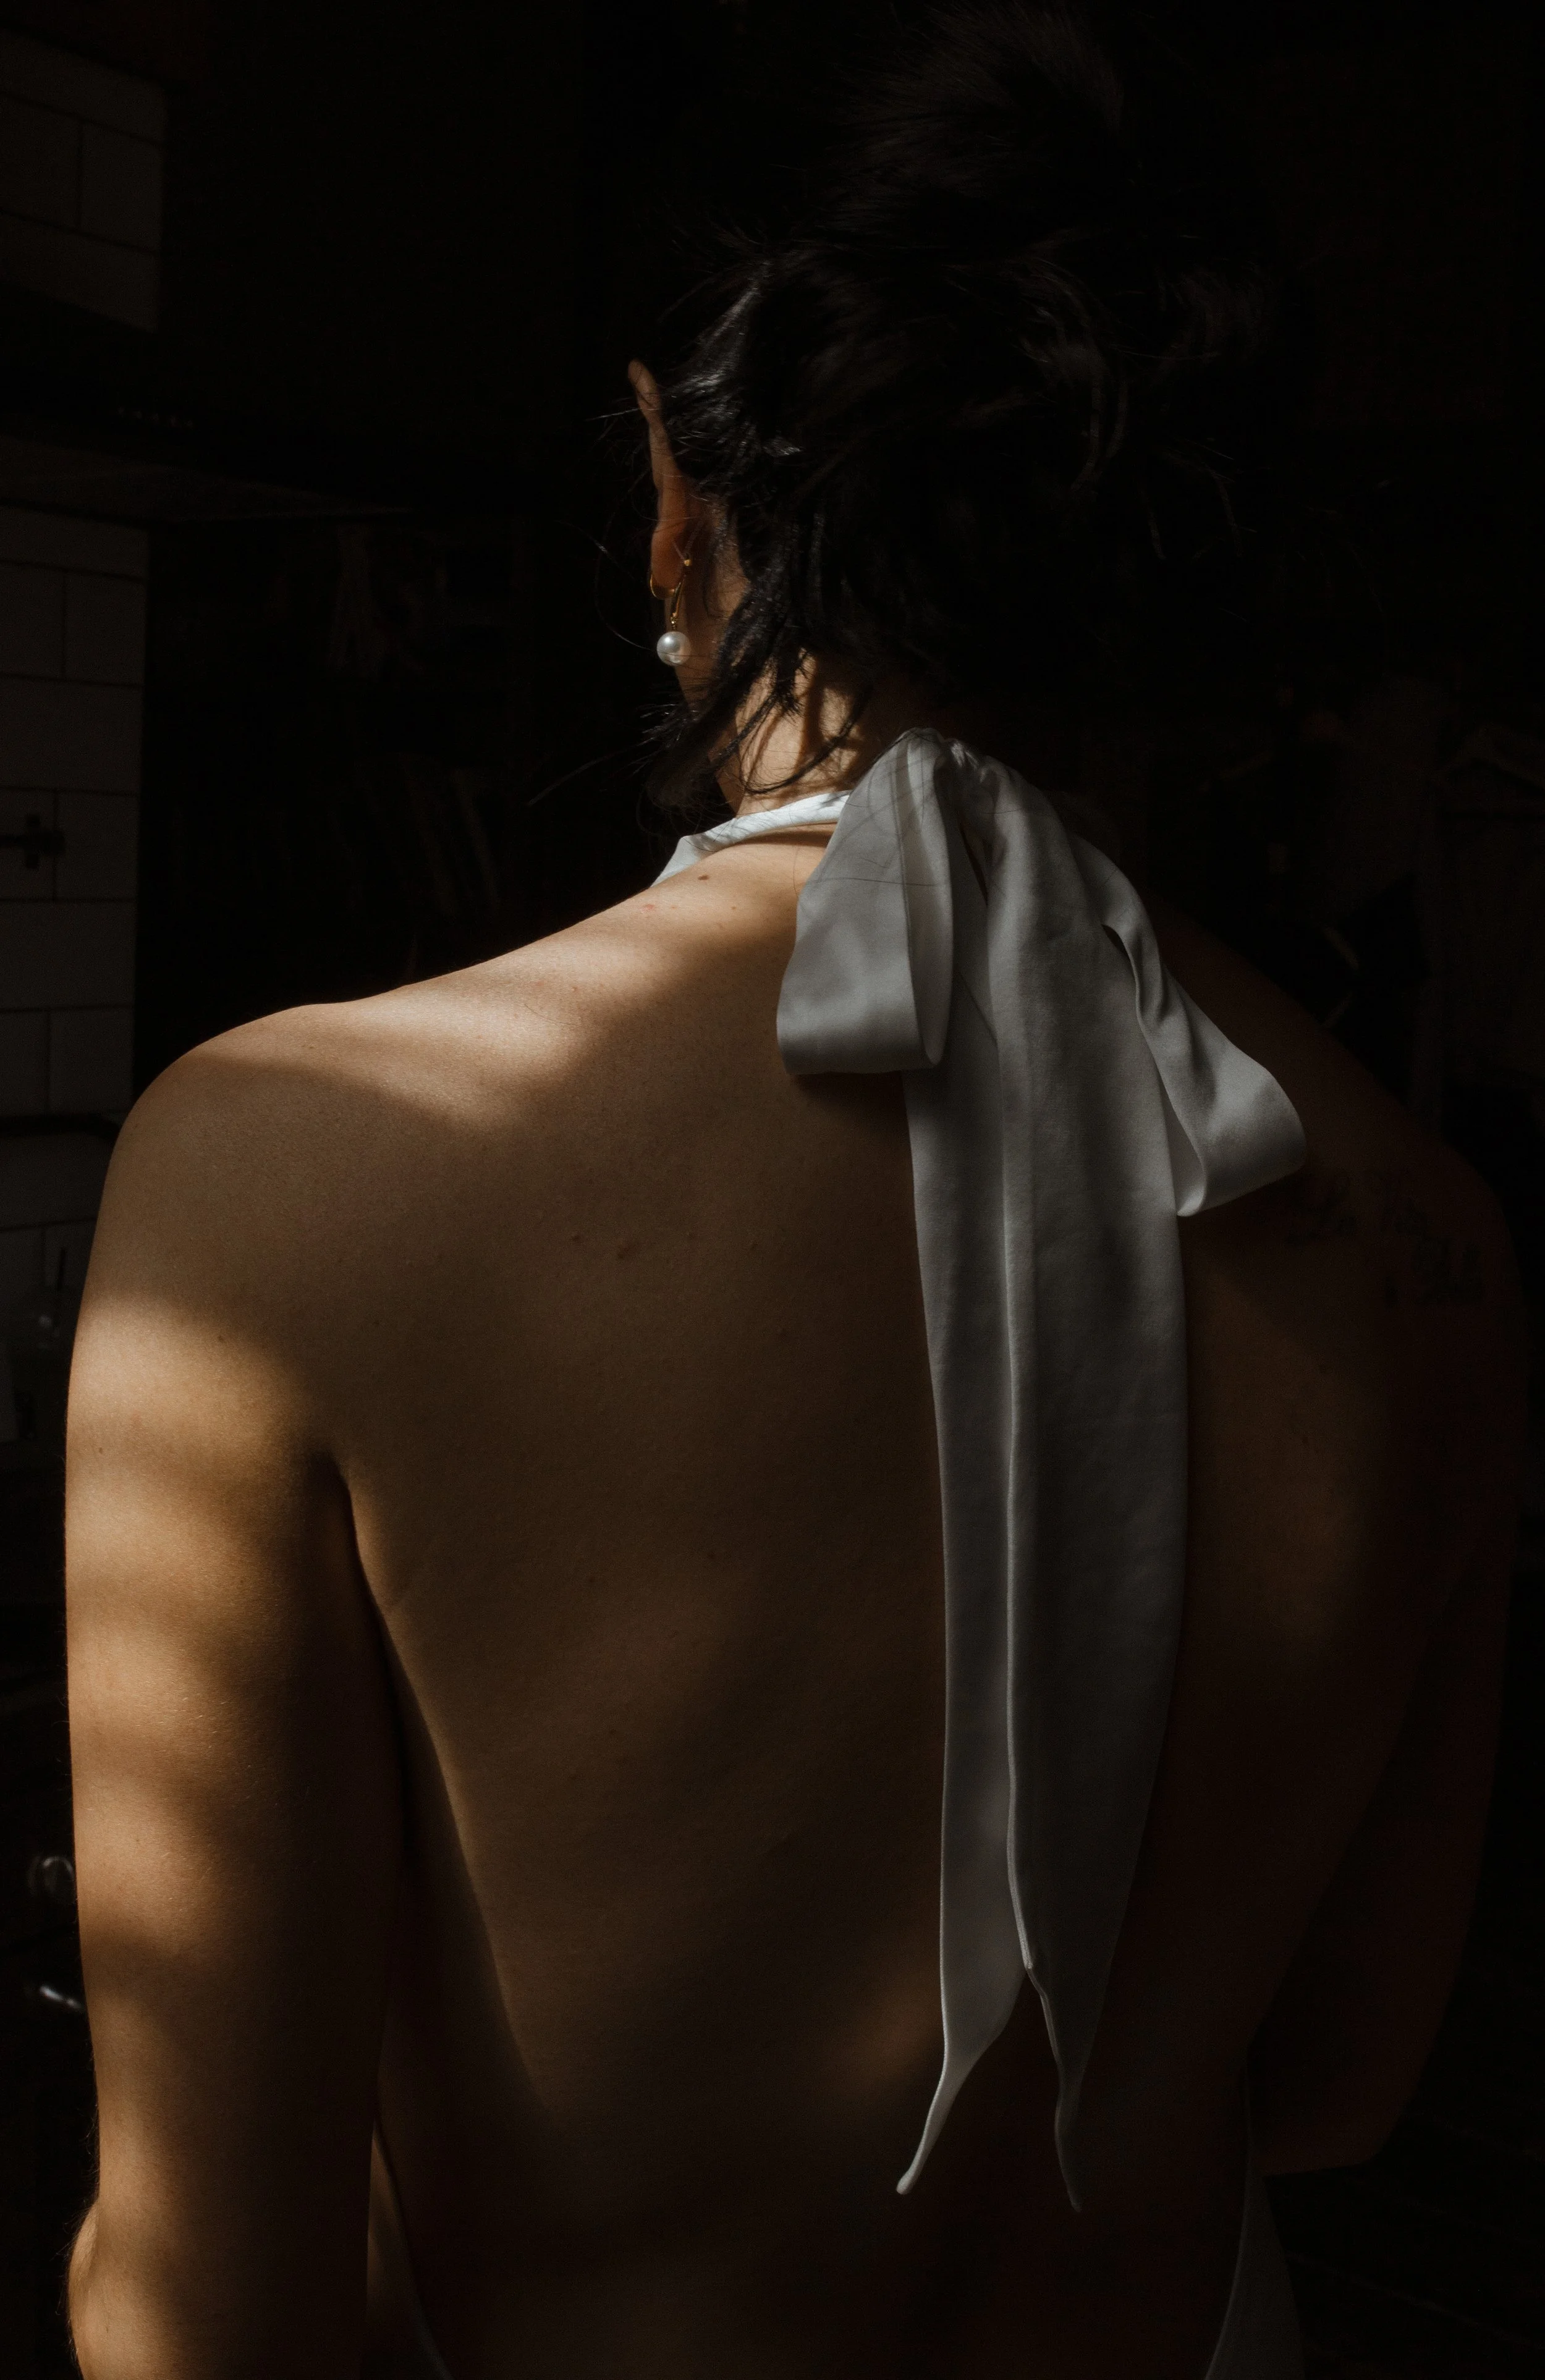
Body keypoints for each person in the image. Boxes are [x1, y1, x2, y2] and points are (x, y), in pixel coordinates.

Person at [64, 9, 1522, 2378]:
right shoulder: (1430, 1247)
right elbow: (1338, 2090)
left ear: (673, 493)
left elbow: (204, 2319)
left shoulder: (280, 1176)